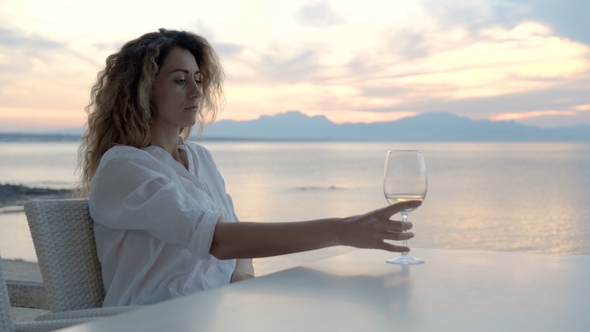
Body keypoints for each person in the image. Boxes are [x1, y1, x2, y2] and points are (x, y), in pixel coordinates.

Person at [77, 28, 420, 307]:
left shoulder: (200, 159)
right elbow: (220, 240)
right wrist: (341, 230)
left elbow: (235, 237)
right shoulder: (124, 167)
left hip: (216, 311)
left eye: (199, 78)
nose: (197, 91)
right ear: (142, 90)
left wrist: (242, 283)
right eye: (180, 80)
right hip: (155, 320)